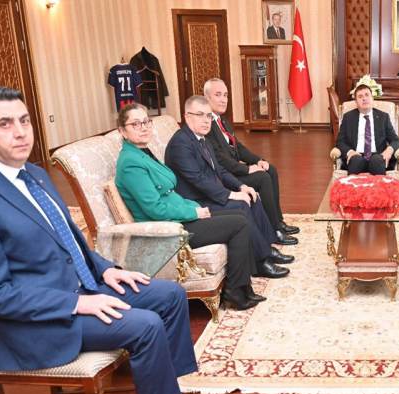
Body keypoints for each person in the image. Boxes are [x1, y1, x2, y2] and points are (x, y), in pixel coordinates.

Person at [0, 86, 215, 394]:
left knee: (170, 295)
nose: (21, 132)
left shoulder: (34, 175)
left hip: (81, 287)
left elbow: (70, 239)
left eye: (25, 121)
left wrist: (106, 269)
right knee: (145, 325)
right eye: (5, 124)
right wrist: (77, 303)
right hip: (41, 321)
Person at [114, 103, 293, 310]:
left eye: (146, 122)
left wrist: (194, 207)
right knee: (239, 223)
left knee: (240, 216)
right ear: (122, 131)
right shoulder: (131, 163)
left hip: (180, 215)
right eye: (136, 124)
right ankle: (236, 290)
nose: (144, 127)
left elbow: (170, 194)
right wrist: (194, 211)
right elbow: (155, 209)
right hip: (168, 228)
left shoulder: (143, 153)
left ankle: (241, 286)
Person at [165, 95, 291, 278]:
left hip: (208, 194)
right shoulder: (181, 143)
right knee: (241, 205)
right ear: (187, 117)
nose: (206, 120)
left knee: (252, 195)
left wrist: (241, 186)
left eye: (208, 116)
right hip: (196, 201)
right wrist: (230, 195)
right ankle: (260, 263)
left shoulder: (202, 139)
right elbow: (198, 180)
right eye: (200, 115)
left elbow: (220, 171)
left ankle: (267, 249)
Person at [203, 78, 298, 236]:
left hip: (234, 169)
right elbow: (219, 159)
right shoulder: (206, 124)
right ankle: (274, 229)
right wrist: (247, 169)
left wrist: (258, 160)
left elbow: (238, 147)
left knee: (270, 169)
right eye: (218, 95)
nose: (223, 99)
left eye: (225, 95)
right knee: (262, 178)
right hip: (225, 176)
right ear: (207, 98)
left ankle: (278, 220)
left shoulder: (222, 120)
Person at [335, 84, 399, 175]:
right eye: (360, 96)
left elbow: (395, 140)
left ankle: (380, 185)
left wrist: (388, 151)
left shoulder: (383, 117)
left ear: (372, 98)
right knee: (355, 161)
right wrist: (349, 152)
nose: (364, 98)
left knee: (377, 161)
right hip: (356, 155)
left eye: (367, 95)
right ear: (356, 102)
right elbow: (340, 141)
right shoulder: (348, 117)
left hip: (377, 155)